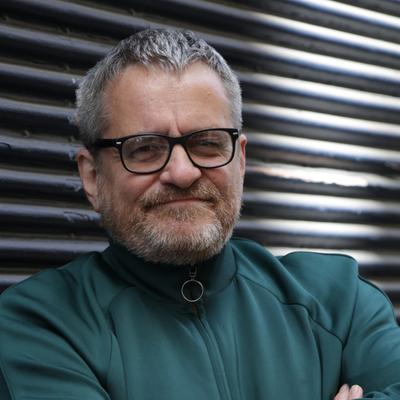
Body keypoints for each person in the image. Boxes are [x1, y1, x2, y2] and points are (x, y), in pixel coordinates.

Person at [0, 28, 399, 400]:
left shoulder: (339, 302)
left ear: (240, 160)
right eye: (144, 149)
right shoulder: (41, 324)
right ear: (92, 176)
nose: (183, 173)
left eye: (207, 143)